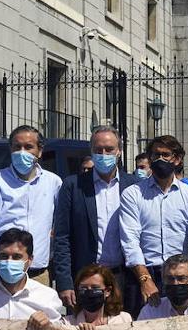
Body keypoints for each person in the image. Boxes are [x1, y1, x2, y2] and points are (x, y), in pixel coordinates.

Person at [119, 135, 188, 314]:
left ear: (177, 159)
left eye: (166, 155)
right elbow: (130, 240)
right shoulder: (132, 194)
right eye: (155, 155)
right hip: (147, 274)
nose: (160, 160)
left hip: (182, 277)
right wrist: (145, 279)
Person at [52, 126, 138, 310]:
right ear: (91, 152)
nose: (104, 154)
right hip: (86, 280)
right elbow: (62, 237)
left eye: (109, 149)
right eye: (98, 150)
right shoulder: (73, 186)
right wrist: (65, 282)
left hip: (124, 278)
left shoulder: (134, 186)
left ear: (119, 152)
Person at [0, 125, 62, 286]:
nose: (22, 152)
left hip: (37, 275)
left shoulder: (53, 182)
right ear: (10, 149)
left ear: (39, 151)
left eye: (28, 147)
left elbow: (60, 224)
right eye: (17, 147)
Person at [65, 264, 133, 330]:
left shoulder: (124, 319)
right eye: (83, 288)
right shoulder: (67, 323)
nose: (89, 292)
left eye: (95, 288)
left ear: (108, 291)